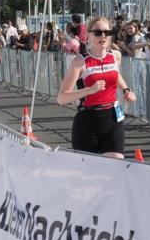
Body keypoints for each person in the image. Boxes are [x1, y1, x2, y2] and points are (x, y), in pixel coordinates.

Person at [56, 16, 136, 159]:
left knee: (116, 165)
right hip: (88, 121)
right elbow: (62, 98)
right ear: (88, 35)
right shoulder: (80, 61)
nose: (103, 36)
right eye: (98, 33)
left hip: (113, 118)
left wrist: (126, 90)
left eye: (107, 32)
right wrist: (89, 90)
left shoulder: (115, 56)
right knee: (89, 173)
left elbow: (115, 75)